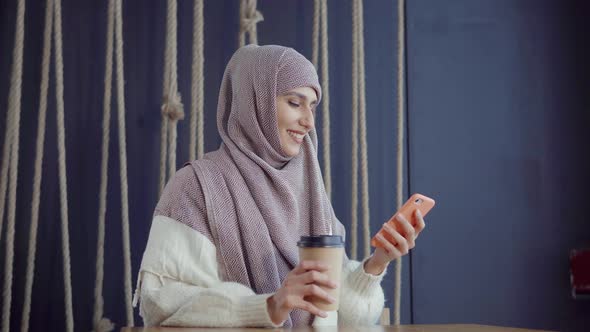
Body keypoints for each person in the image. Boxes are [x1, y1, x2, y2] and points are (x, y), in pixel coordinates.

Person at [133, 44, 426, 328]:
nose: (309, 121)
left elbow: (331, 312)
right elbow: (160, 302)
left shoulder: (309, 187)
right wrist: (269, 306)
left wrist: (377, 262)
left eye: (313, 106)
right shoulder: (196, 186)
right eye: (295, 103)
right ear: (254, 102)